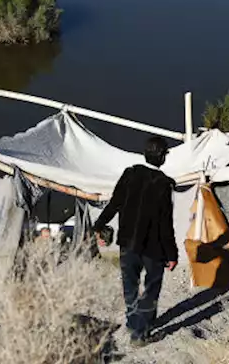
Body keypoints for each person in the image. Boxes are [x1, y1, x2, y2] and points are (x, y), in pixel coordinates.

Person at [94, 136, 177, 345]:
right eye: (165, 154)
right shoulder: (163, 184)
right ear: (161, 156)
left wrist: (98, 225)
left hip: (128, 244)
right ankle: (141, 333)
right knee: (151, 289)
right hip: (153, 247)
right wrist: (172, 254)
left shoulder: (130, 174)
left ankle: (134, 325)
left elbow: (114, 204)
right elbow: (165, 223)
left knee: (130, 286)